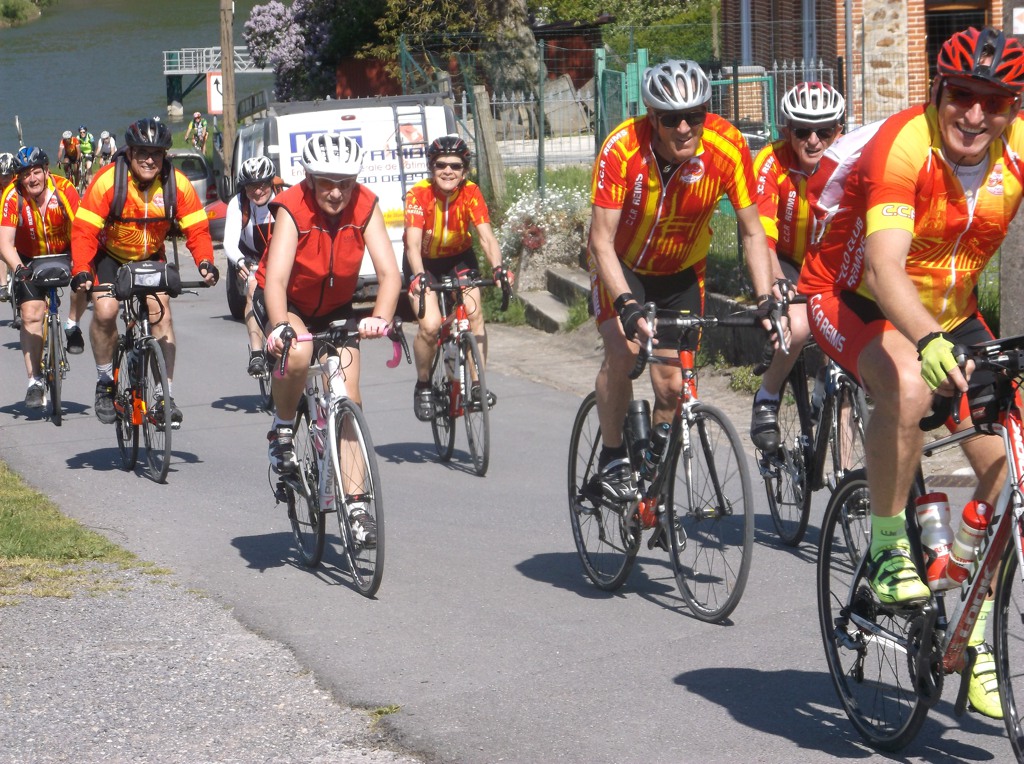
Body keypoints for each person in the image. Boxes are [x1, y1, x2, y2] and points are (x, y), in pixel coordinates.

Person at [798, 26, 1024, 719]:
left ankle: (973, 630)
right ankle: (890, 544)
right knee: (907, 378)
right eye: (961, 96)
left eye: (995, 102)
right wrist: (926, 339)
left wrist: (940, 331)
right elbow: (885, 268)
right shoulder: (904, 146)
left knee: (1012, 462)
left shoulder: (1015, 149)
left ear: (1014, 108)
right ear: (936, 92)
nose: (975, 115)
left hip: (951, 311)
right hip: (853, 296)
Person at [587, 58, 780, 506]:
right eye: (671, 119)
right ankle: (612, 457)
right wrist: (626, 305)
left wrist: (765, 298)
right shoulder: (621, 149)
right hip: (623, 265)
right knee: (623, 351)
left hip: (681, 272)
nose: (684, 128)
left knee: (674, 387)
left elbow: (753, 232)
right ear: (652, 118)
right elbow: (600, 241)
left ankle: (652, 482)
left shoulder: (727, 146)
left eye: (694, 116)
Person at [256, 132, 401, 547]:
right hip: (288, 302)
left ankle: (356, 508)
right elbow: (276, 280)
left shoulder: (365, 205)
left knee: (349, 399)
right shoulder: (292, 207)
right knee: (300, 352)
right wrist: (280, 326)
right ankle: (283, 428)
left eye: (345, 183)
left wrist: (380, 318)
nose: (336, 192)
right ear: (310, 179)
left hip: (337, 307)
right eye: (326, 183)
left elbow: (390, 274)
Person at [70, 117, 219, 427]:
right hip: (110, 256)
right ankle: (105, 382)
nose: (150, 160)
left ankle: (165, 397)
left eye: (157, 154)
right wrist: (82, 269)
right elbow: (84, 231)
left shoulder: (177, 184)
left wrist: (205, 262)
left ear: (164, 155)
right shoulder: (108, 181)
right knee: (106, 311)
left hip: (150, 255)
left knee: (161, 314)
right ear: (130, 153)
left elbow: (197, 229)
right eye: (142, 153)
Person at [748, 82, 846, 450]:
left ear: (839, 130)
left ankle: (847, 476)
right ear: (786, 130)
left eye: (825, 131)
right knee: (800, 325)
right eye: (803, 131)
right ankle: (768, 396)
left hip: (831, 261)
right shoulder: (770, 162)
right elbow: (762, 237)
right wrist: (776, 281)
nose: (814, 141)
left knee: (848, 365)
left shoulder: (850, 161)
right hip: (786, 260)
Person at [403, 134, 512, 421]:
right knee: (430, 325)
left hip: (458, 259)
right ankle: (423, 385)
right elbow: (412, 244)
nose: (448, 171)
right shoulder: (418, 194)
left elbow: (486, 237)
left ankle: (477, 386)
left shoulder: (472, 192)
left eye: (455, 165)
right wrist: (418, 276)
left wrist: (498, 268)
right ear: (431, 167)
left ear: (464, 170)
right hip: (423, 262)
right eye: (441, 165)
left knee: (474, 315)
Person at [0, 147, 85, 407]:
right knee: (30, 315)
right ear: (19, 178)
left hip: (64, 251)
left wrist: (81, 263)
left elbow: (81, 230)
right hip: (29, 258)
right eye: (26, 175)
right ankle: (34, 381)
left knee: (84, 279)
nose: (32, 179)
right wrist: (18, 268)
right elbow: (5, 243)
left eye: (36, 172)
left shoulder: (65, 189)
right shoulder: (12, 195)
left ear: (47, 171)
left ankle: (72, 324)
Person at [223, 155, 280, 377]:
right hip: (253, 258)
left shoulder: (284, 197)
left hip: (280, 256)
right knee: (253, 291)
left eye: (263, 185)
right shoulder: (239, 203)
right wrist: (239, 261)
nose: (257, 191)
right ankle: (257, 352)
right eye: (251, 187)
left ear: (271, 182)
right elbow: (229, 242)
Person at [0, 151, 16, 304]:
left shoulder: (19, 185)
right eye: (1, 175)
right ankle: (3, 285)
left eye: (7, 175)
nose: (5, 179)